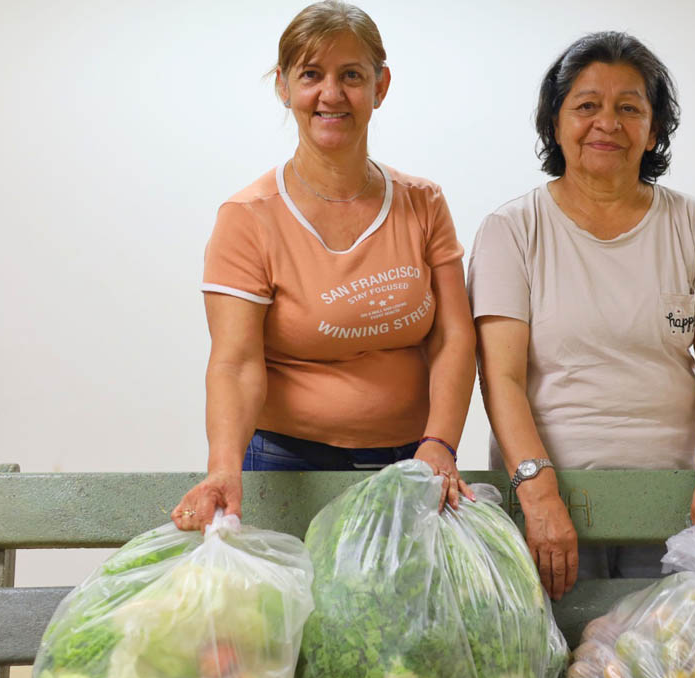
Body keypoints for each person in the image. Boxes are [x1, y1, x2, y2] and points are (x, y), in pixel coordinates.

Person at [172, 1, 475, 531]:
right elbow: (235, 363)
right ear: (284, 87)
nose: (331, 94)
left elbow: (453, 336)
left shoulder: (423, 202)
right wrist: (223, 466)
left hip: (412, 460)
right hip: (286, 465)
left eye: (351, 75)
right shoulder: (248, 219)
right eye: (311, 74)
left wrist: (439, 442)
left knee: (395, 616)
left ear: (381, 87)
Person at [469, 32, 695, 600]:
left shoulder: (692, 224)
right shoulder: (512, 230)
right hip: (554, 504)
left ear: (655, 128)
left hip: (673, 504)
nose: (607, 123)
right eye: (587, 105)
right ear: (554, 122)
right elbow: (500, 377)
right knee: (559, 676)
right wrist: (540, 497)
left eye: (629, 108)